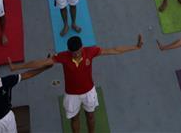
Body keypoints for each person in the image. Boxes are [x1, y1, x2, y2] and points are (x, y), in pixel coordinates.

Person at [14, 35, 143, 133]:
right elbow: (41, 62)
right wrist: (17, 67)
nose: (76, 55)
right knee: (74, 119)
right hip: (72, 95)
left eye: (78, 51)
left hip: (89, 92)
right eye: (73, 53)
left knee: (90, 116)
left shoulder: (90, 51)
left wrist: (135, 47)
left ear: (82, 47)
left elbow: (114, 50)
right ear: (68, 50)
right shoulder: (63, 56)